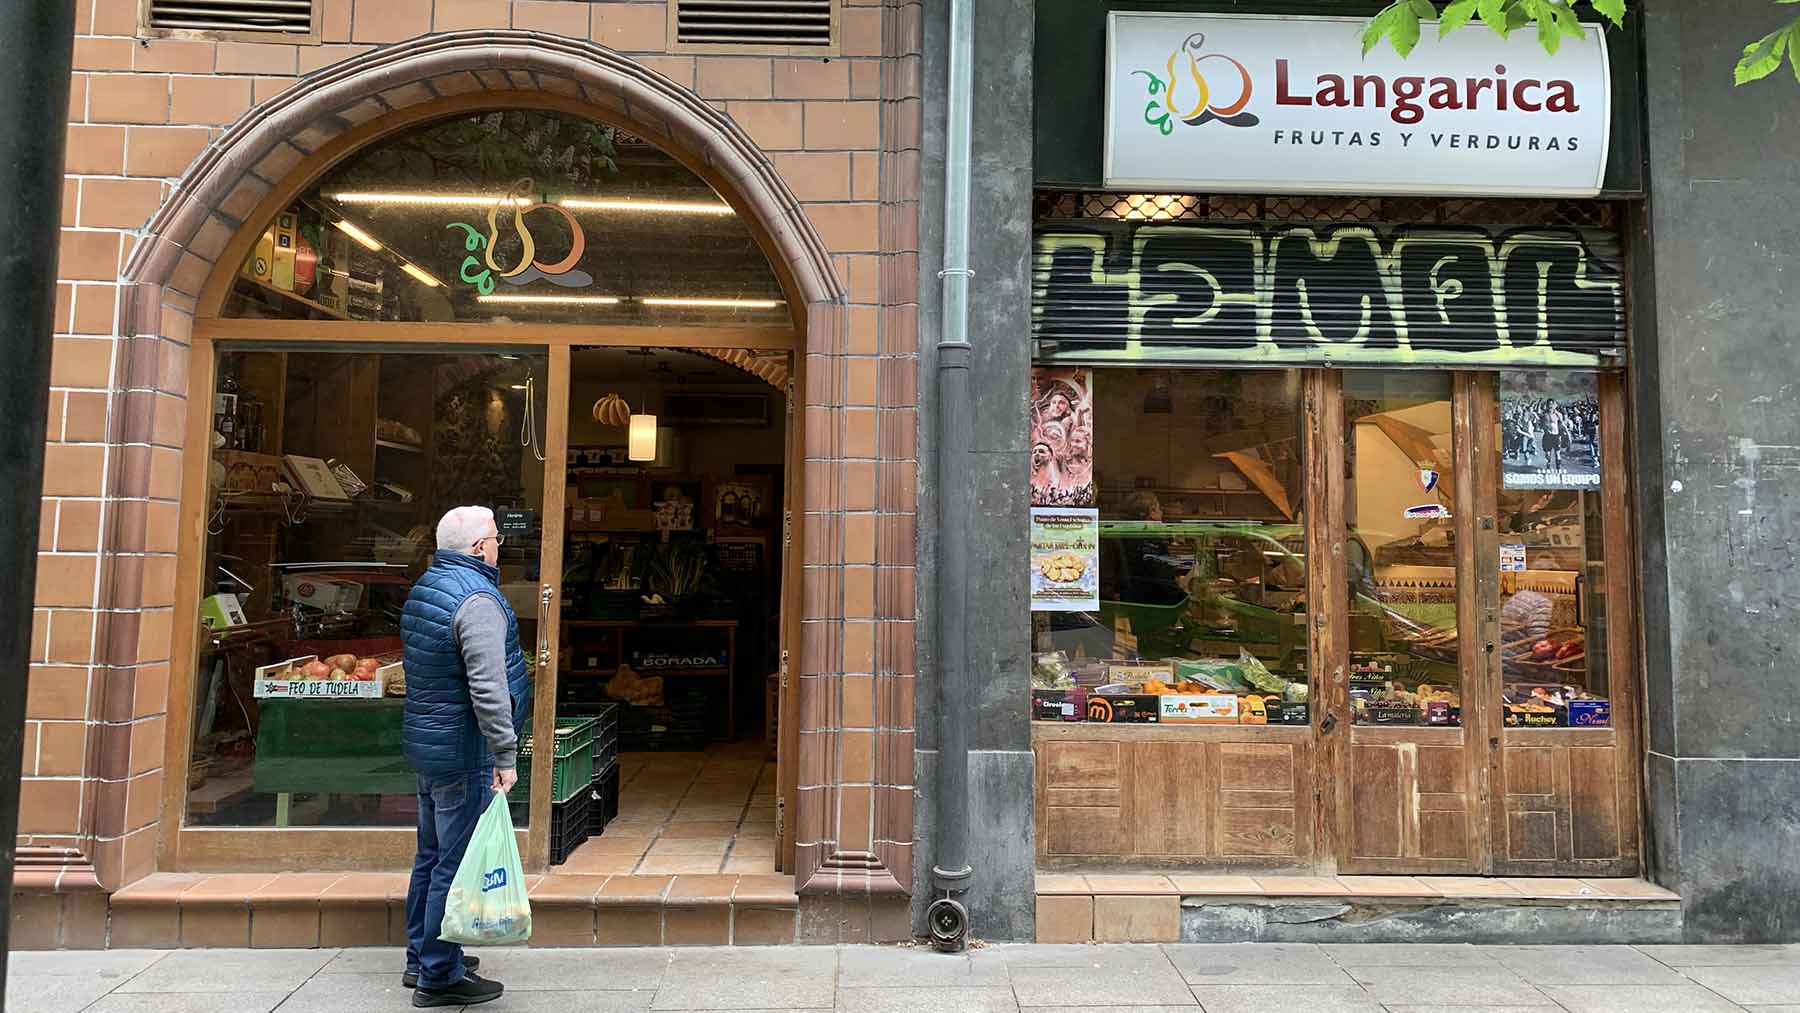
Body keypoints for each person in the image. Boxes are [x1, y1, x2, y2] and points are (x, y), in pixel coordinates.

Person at [399, 506, 530, 1008]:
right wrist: (504, 751)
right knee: (453, 864)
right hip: (465, 748)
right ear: (479, 548)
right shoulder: (477, 599)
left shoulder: (427, 587)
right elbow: (489, 688)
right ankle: (439, 976)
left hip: (433, 746)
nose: (500, 546)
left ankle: (423, 956)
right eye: (496, 539)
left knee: (431, 857)